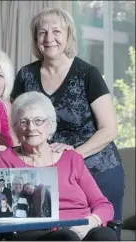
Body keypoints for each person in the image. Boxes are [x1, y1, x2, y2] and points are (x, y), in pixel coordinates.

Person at [11, 7, 125, 226]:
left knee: (103, 235)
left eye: (56, 31)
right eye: (42, 32)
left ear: (68, 36)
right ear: (36, 38)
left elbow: (110, 129)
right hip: (50, 175)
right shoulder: (26, 75)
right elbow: (14, 122)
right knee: (59, 234)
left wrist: (74, 157)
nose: (49, 38)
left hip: (99, 169)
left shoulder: (87, 73)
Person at [0, 91, 118, 241]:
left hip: (82, 227)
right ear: (15, 127)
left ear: (50, 124)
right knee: (66, 236)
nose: (31, 127)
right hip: (35, 232)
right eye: (23, 122)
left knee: (105, 235)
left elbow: (102, 204)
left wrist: (90, 222)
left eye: (38, 120)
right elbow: (0, 208)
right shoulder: (6, 159)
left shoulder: (71, 158)